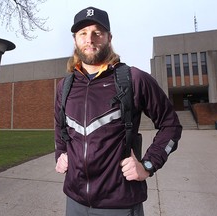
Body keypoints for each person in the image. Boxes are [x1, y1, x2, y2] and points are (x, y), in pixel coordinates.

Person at [55, 6, 182, 216]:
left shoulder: (133, 79)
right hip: (75, 201)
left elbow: (171, 125)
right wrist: (60, 154)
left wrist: (148, 165)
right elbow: (61, 128)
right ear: (75, 39)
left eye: (97, 33)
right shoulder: (65, 86)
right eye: (83, 33)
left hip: (119, 204)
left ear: (109, 37)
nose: (90, 39)